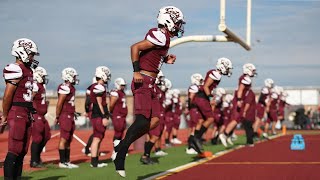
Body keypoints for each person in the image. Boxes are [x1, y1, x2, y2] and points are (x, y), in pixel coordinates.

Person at [112, 6, 186, 177]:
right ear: (168, 20)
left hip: (151, 83)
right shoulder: (160, 35)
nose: (179, 26)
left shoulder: (164, 38)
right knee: (142, 120)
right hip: (143, 80)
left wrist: (165, 58)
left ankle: (121, 145)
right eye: (177, 22)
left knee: (155, 121)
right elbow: (135, 48)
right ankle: (121, 153)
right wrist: (136, 71)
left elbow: (151, 54)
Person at [1, 38, 40, 179]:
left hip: (26, 112)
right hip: (17, 111)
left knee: (23, 150)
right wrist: (4, 116)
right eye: (31, 54)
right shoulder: (15, 68)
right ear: (22, 52)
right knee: (15, 149)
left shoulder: (28, 70)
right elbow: (7, 95)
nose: (33, 57)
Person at [191, 57, 233, 153]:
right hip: (202, 97)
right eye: (227, 67)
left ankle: (195, 141)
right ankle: (196, 138)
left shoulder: (215, 73)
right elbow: (206, 86)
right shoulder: (216, 74)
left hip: (201, 97)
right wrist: (210, 97)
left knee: (201, 120)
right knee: (210, 119)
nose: (228, 70)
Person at [219, 63, 257, 147]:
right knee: (236, 119)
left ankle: (227, 135)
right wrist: (239, 100)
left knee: (237, 119)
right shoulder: (244, 78)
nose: (254, 72)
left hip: (239, 101)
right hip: (238, 101)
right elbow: (240, 89)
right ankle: (224, 134)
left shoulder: (245, 78)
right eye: (253, 70)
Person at [55, 67, 79, 168]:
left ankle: (67, 161)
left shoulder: (71, 87)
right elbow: (59, 103)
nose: (75, 78)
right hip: (65, 115)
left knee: (68, 138)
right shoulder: (64, 87)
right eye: (73, 76)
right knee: (64, 138)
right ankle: (62, 162)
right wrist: (57, 116)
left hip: (70, 115)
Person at [89, 66, 111, 168]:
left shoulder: (98, 86)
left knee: (98, 138)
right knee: (97, 138)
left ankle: (95, 161)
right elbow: (98, 103)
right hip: (98, 116)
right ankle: (94, 162)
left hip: (97, 115)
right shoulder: (98, 87)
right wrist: (103, 116)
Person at [30, 66, 51, 168]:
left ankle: (37, 157)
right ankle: (34, 161)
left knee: (47, 135)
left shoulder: (41, 86)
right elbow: (30, 99)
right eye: (43, 76)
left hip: (42, 115)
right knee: (37, 138)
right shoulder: (35, 86)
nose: (44, 78)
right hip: (36, 114)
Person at [186, 73, 203, 154]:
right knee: (194, 126)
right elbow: (191, 98)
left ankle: (193, 144)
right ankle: (191, 146)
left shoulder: (197, 87)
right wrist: (190, 108)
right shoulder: (194, 87)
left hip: (196, 109)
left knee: (196, 125)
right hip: (194, 109)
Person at [109, 78, 128, 152]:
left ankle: (119, 148)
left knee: (121, 133)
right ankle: (116, 150)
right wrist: (111, 113)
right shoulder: (115, 93)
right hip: (117, 115)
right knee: (118, 133)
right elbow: (111, 105)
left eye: (124, 85)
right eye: (122, 85)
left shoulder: (122, 93)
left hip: (122, 116)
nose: (123, 87)